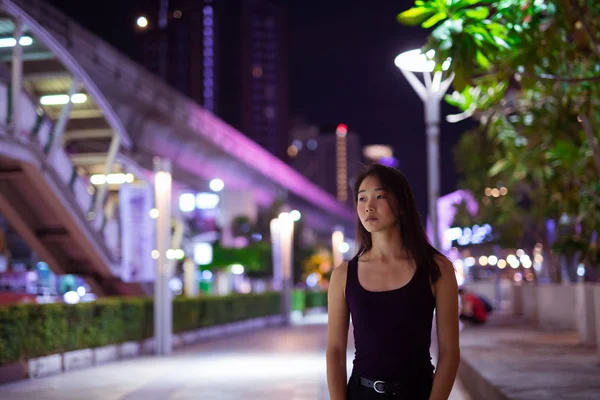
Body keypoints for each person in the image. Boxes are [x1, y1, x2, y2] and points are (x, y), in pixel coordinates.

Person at [326, 164, 460, 400]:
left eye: (380, 196)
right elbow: (335, 351)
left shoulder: (437, 268)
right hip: (362, 394)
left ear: (401, 206)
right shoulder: (343, 275)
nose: (369, 206)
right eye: (361, 198)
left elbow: (449, 352)